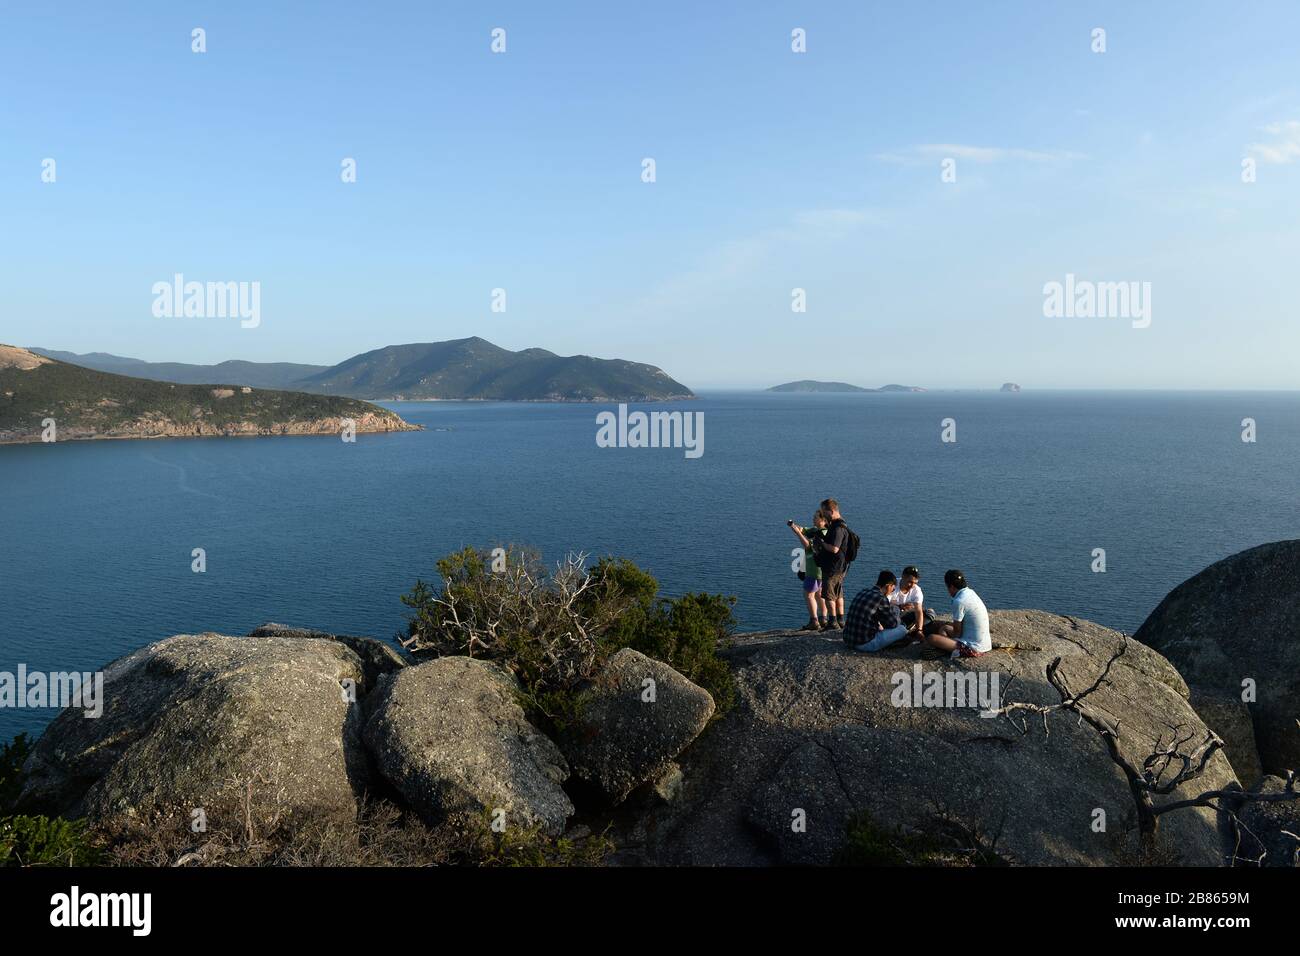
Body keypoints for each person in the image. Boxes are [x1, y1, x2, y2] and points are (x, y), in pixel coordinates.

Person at [922, 569, 992, 657]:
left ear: (951, 586)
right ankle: (946, 648)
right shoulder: (971, 593)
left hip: (973, 648)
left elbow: (957, 633)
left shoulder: (959, 601)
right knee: (944, 628)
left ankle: (947, 650)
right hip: (985, 644)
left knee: (932, 638)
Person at [843, 570, 911, 652]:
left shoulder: (863, 592)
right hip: (864, 644)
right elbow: (892, 624)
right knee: (902, 629)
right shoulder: (881, 598)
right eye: (892, 589)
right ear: (888, 586)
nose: (891, 592)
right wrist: (897, 615)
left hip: (848, 640)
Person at [813, 498, 851, 629]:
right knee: (838, 593)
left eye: (824, 512)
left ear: (832, 511)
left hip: (833, 566)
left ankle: (832, 622)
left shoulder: (837, 528)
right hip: (841, 566)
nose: (823, 515)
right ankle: (840, 619)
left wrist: (821, 543)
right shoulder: (841, 525)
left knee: (829, 594)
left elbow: (834, 548)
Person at [788, 511, 829, 631]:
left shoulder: (820, 534)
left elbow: (808, 546)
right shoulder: (822, 531)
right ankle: (823, 619)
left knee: (809, 594)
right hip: (823, 570)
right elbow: (804, 529)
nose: (813, 519)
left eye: (815, 518)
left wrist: (798, 534)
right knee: (820, 594)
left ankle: (814, 621)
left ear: (823, 520)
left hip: (813, 569)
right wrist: (794, 526)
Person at [890, 565, 931, 631]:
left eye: (915, 583)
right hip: (892, 615)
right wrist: (899, 607)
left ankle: (911, 628)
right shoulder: (892, 586)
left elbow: (918, 611)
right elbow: (882, 604)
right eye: (910, 582)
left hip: (904, 615)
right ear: (903, 577)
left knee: (930, 612)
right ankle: (904, 628)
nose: (912, 585)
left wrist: (919, 630)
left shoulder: (916, 590)